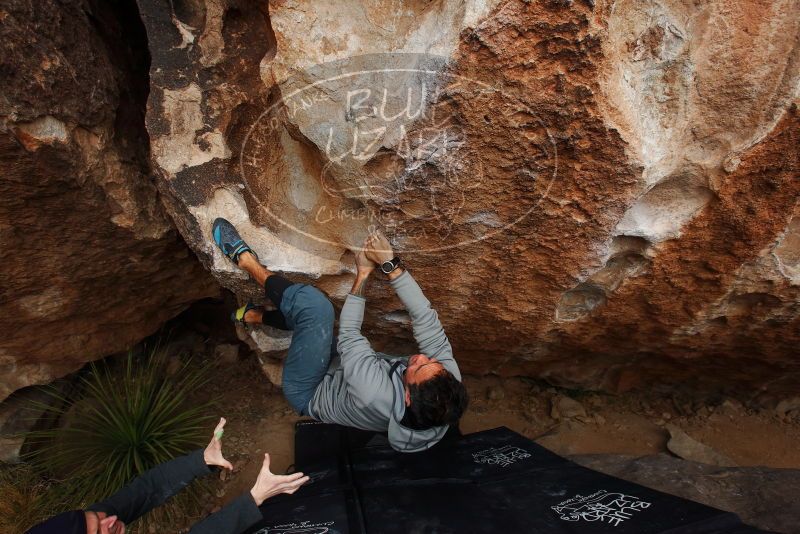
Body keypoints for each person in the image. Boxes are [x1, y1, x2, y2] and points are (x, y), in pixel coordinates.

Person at [214, 219, 468, 453]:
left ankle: (246, 261)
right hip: (342, 370)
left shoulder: (374, 394)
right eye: (431, 362)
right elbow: (425, 317)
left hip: (311, 389)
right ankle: (256, 317)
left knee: (315, 308)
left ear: (408, 397)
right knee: (317, 323)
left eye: (417, 367)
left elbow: (349, 334)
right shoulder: (445, 381)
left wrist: (364, 273)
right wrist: (390, 265)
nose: (421, 356)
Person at [27, 418, 308, 534]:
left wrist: (201, 460)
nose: (110, 520)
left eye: (98, 516)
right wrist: (254, 498)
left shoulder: (99, 520)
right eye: (101, 530)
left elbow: (148, 488)